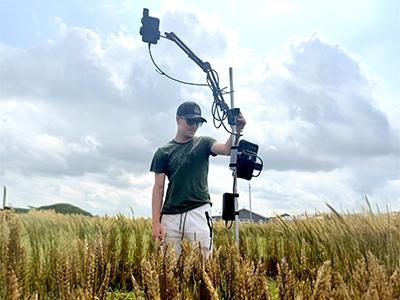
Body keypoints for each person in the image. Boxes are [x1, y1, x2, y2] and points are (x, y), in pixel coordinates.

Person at [150, 101, 246, 256]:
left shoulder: (204, 142)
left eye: (198, 122)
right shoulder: (163, 152)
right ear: (178, 119)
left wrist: (238, 129)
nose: (194, 125)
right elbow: (158, 188)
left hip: (199, 211)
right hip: (170, 216)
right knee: (167, 267)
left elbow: (226, 149)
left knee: (205, 263)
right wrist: (156, 222)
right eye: (190, 121)